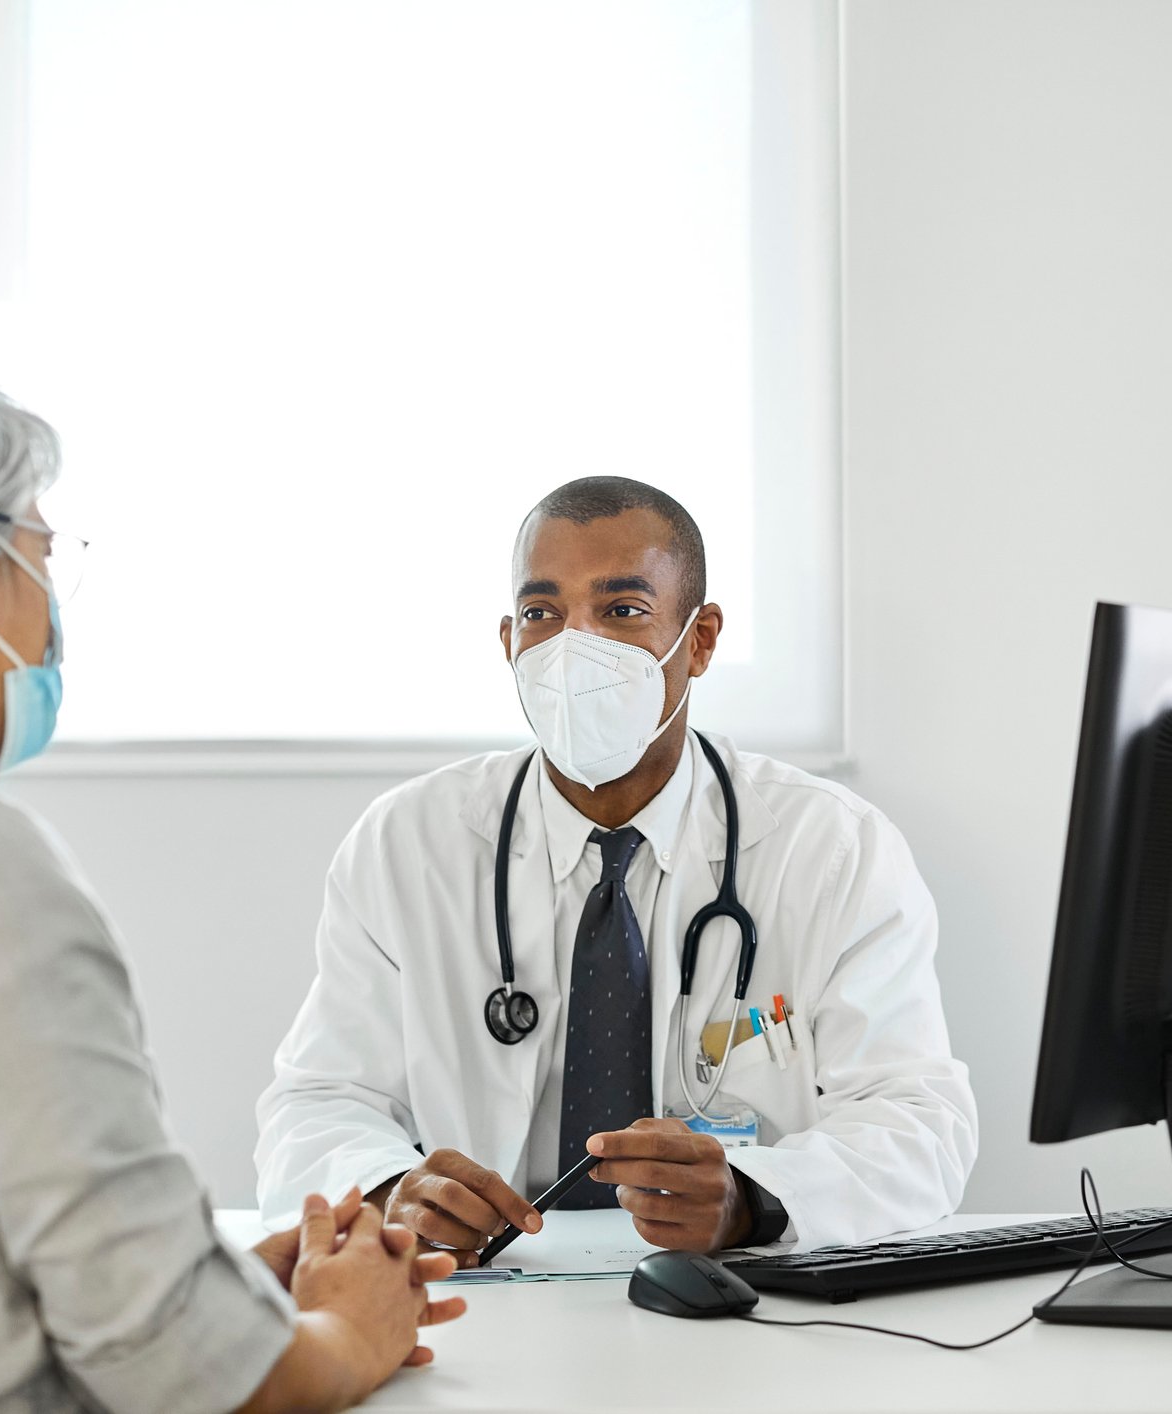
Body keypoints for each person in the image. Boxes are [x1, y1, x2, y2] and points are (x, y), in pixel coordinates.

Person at [0, 350, 465, 1413]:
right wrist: (355, 1326)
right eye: (39, 547)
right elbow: (203, 1384)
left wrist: (214, 1287)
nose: (51, 595)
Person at [256, 476, 977, 1259]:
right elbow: (318, 1101)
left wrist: (751, 1199)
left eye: (621, 611)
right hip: (484, 1295)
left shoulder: (833, 852)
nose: (573, 648)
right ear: (508, 643)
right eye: (542, 614)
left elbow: (916, 1120)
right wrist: (395, 1193)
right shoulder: (409, 844)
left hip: (737, 1302)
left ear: (697, 641)